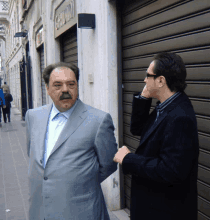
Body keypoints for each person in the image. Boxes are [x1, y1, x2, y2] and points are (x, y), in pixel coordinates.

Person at [25, 62, 118, 220]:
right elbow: (32, 154)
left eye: (71, 84)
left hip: (80, 211)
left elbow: (109, 163)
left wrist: (79, 182)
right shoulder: (33, 116)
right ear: (47, 88)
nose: (65, 90)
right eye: (57, 85)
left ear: (77, 86)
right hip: (40, 210)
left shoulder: (98, 120)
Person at [113, 52, 199, 220]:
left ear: (161, 80)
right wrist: (144, 98)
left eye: (148, 76)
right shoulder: (166, 106)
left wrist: (128, 159)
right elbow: (137, 129)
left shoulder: (180, 117)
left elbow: (171, 170)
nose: (144, 80)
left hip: (164, 211)